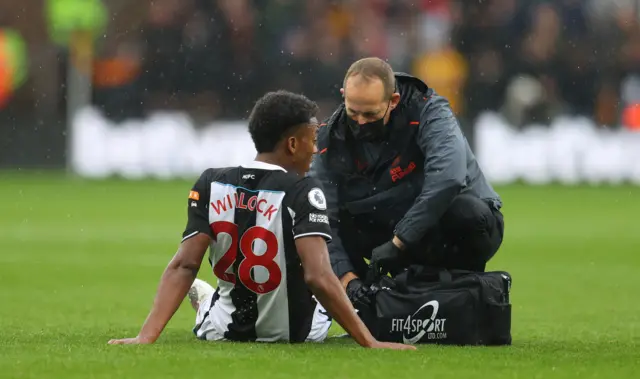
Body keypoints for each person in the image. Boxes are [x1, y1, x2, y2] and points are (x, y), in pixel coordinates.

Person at [107, 90, 415, 350]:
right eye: (312, 139)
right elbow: (318, 277)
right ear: (292, 145)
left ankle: (207, 301)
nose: (316, 149)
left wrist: (144, 338)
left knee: (215, 296)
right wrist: (370, 341)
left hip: (221, 330)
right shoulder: (302, 190)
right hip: (295, 333)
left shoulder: (211, 182)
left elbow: (184, 265)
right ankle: (208, 298)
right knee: (335, 287)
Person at [308, 57, 505, 303]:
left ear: (393, 101)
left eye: (370, 114)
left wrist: (400, 241)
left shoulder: (429, 110)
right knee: (313, 217)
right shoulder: (328, 140)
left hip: (446, 229)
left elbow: (448, 178)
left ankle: (459, 289)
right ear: (343, 95)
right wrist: (348, 279)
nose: (360, 122)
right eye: (353, 112)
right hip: (392, 231)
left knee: (466, 211)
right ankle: (366, 301)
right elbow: (323, 218)